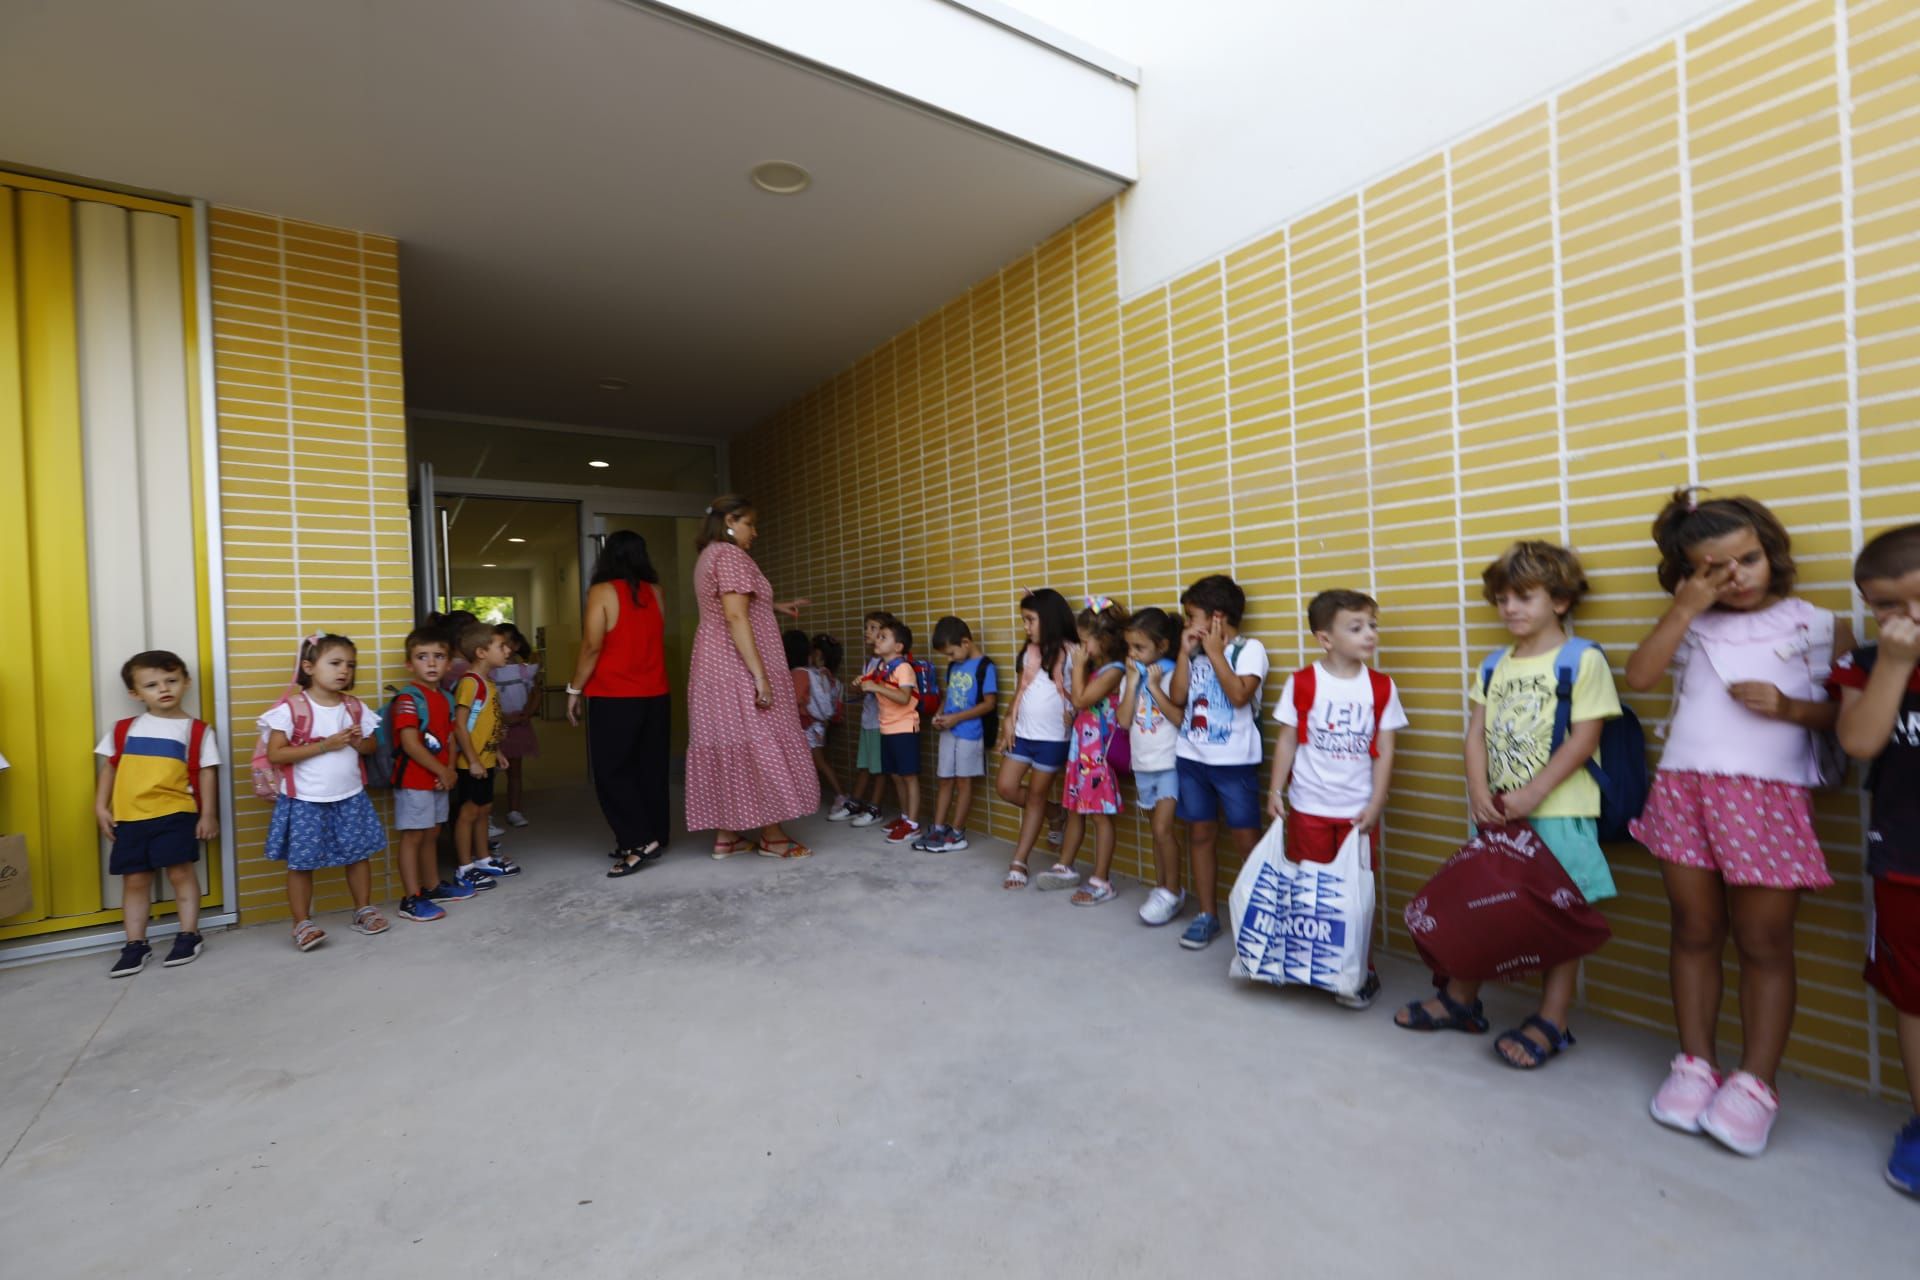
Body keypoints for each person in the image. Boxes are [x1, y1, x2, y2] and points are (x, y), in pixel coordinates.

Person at [1625, 490, 1847, 1155]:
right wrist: (1684, 609)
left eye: (1747, 559)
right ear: (1690, 574)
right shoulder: (1692, 620)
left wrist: (1789, 709)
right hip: (1684, 789)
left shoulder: (1818, 623)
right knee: (1693, 928)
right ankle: (1694, 1064)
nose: (1737, 577)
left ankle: (1755, 1083)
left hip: (1768, 799)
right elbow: (1639, 677)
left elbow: (1849, 718)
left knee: (1764, 941)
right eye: (1714, 569)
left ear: (1770, 551)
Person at [1395, 542, 1621, 1069]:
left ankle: (1553, 1019)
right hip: (1498, 814)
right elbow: (1475, 733)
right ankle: (1460, 1000)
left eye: (1524, 596)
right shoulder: (1495, 664)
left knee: (1558, 917)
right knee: (1486, 905)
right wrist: (1478, 791)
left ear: (1560, 600)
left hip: (1560, 812)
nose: (1510, 608)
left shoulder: (1581, 659)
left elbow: (1585, 739)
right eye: (1501, 599)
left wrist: (1533, 794)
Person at [1268, 589, 1409, 1010]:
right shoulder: (1302, 682)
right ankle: (1312, 964)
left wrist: (1377, 801)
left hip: (1357, 815)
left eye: (1372, 626)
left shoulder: (1381, 687)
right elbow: (1288, 740)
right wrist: (1276, 791)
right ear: (1325, 638)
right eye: (1357, 627)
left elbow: (1385, 749)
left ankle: (1358, 971)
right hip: (1309, 808)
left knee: (1356, 895)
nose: (1370, 634)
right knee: (1309, 889)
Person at [1833, 523, 1920, 1196]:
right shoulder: (1866, 663)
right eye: (1883, 607)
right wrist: (1892, 665)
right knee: (1914, 1002)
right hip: (1904, 861)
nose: (1899, 619)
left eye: (1913, 601)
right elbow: (1859, 742)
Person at [684, 494, 820, 858]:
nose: (754, 532)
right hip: (737, 668)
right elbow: (735, 616)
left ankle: (727, 837)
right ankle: (773, 837)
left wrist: (770, 604)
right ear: (730, 520)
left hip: (713, 669)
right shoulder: (730, 555)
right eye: (750, 524)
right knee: (760, 745)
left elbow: (731, 604)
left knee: (730, 745)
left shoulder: (708, 556)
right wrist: (760, 676)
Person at [258, 634, 389, 951]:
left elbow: (372, 746)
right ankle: (301, 923)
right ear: (308, 667)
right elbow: (276, 754)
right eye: (335, 663)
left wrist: (359, 741)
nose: (344, 670)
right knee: (301, 863)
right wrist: (324, 745)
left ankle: (363, 909)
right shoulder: (292, 709)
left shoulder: (354, 707)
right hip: (305, 800)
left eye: (350, 665)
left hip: (350, 796)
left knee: (358, 856)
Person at [95, 650, 219, 977]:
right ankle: (135, 944)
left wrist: (208, 815)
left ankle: (189, 935)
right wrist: (100, 806)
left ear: (186, 682)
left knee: (180, 873)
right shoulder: (124, 730)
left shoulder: (196, 731)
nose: (163, 689)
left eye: (171, 680)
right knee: (135, 879)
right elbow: (110, 769)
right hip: (130, 817)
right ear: (135, 694)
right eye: (151, 685)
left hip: (176, 813)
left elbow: (207, 772)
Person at [1169, 574, 1269, 950]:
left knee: (1246, 839)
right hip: (1192, 760)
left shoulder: (1249, 649)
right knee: (1199, 833)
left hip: (1235, 764)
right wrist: (1184, 653)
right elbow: (1178, 698)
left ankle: (1263, 914)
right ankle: (1207, 914)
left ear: (1217, 617)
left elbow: (1241, 695)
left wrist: (1214, 653)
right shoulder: (1191, 654)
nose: (1187, 624)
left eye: (1191, 616)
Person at [567, 531, 673, 876]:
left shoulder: (602, 591)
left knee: (612, 772)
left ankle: (638, 841)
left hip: (615, 695)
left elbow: (591, 646)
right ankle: (653, 835)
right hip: (656, 693)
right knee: (650, 767)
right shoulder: (656, 592)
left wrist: (574, 689)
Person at [995, 589, 1077, 889]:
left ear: (1051, 619)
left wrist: (1076, 712)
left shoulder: (1071, 653)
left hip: (1054, 739)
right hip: (1024, 734)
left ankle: (1019, 861)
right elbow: (1021, 690)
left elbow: (1079, 693)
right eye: (1024, 620)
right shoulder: (1029, 652)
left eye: (1030, 620)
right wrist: (1008, 720)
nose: (1026, 627)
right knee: (1005, 787)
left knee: (1035, 798)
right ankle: (1056, 813)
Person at [1051, 597, 1128, 905]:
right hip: (1081, 751)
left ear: (1105, 640)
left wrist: (1080, 667)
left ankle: (1102, 880)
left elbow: (1083, 699)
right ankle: (1065, 865)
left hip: (1098, 755)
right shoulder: (1098, 668)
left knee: (1099, 816)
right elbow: (1082, 703)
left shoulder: (1114, 670)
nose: (1081, 649)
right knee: (1075, 809)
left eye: (1085, 642)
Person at [387, 628, 460, 923]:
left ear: (449, 663)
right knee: (414, 835)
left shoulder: (446, 697)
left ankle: (431, 887)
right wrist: (442, 769)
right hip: (414, 780)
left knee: (432, 832)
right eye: (422, 657)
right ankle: (411, 898)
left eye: (438, 657)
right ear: (409, 664)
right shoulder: (408, 698)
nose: (431, 664)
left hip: (439, 778)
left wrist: (450, 770)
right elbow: (409, 743)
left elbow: (451, 738)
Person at [1118, 607, 1184, 925]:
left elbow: (1179, 718)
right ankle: (1163, 889)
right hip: (1142, 764)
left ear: (1162, 646)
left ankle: (1172, 890)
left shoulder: (1173, 674)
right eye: (1129, 647)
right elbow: (1123, 719)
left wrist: (1155, 687)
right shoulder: (1131, 676)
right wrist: (1132, 684)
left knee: (1163, 829)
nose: (1132, 653)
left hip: (1169, 763)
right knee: (1155, 833)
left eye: (1139, 648)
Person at [920, 616, 997, 853]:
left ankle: (957, 832)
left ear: (965, 642)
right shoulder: (955, 666)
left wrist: (957, 718)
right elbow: (949, 696)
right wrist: (940, 715)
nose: (949, 659)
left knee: (964, 782)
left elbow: (989, 704)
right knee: (945, 778)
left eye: (951, 653)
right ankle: (938, 827)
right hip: (949, 731)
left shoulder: (986, 666)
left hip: (970, 733)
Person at [451, 623, 517, 885]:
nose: (508, 650)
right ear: (481, 652)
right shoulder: (470, 683)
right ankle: (465, 868)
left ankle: (483, 858)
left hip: (486, 759)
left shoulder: (487, 683)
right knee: (468, 813)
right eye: (501, 646)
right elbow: (460, 724)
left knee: (483, 810)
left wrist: (496, 751)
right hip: (471, 763)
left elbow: (482, 725)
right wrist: (474, 760)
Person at [858, 618, 923, 845]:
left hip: (904, 727)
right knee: (896, 776)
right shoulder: (882, 668)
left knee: (909, 776)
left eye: (883, 637)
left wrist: (875, 686)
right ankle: (905, 817)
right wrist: (864, 681)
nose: (877, 639)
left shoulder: (903, 667)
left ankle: (913, 824)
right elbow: (876, 684)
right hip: (887, 728)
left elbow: (904, 697)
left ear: (898, 647)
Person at [835, 611, 894, 827]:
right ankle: (855, 804)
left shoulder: (890, 664)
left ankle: (874, 808)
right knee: (865, 765)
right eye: (866, 627)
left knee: (879, 769)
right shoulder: (870, 662)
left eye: (873, 628)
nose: (867, 632)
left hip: (881, 722)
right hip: (868, 720)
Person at [493, 623, 540, 829]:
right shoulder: (490, 673)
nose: (505, 648)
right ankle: (484, 814)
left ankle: (514, 809)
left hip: (519, 725)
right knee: (489, 771)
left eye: (508, 642)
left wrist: (527, 713)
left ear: (517, 644)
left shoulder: (524, 671)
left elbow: (536, 693)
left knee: (515, 771)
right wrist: (501, 718)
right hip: (495, 727)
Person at [800, 632, 849, 816]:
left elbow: (819, 704)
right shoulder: (831, 678)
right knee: (816, 761)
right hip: (820, 725)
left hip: (812, 724)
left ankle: (841, 794)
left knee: (819, 761)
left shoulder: (815, 675)